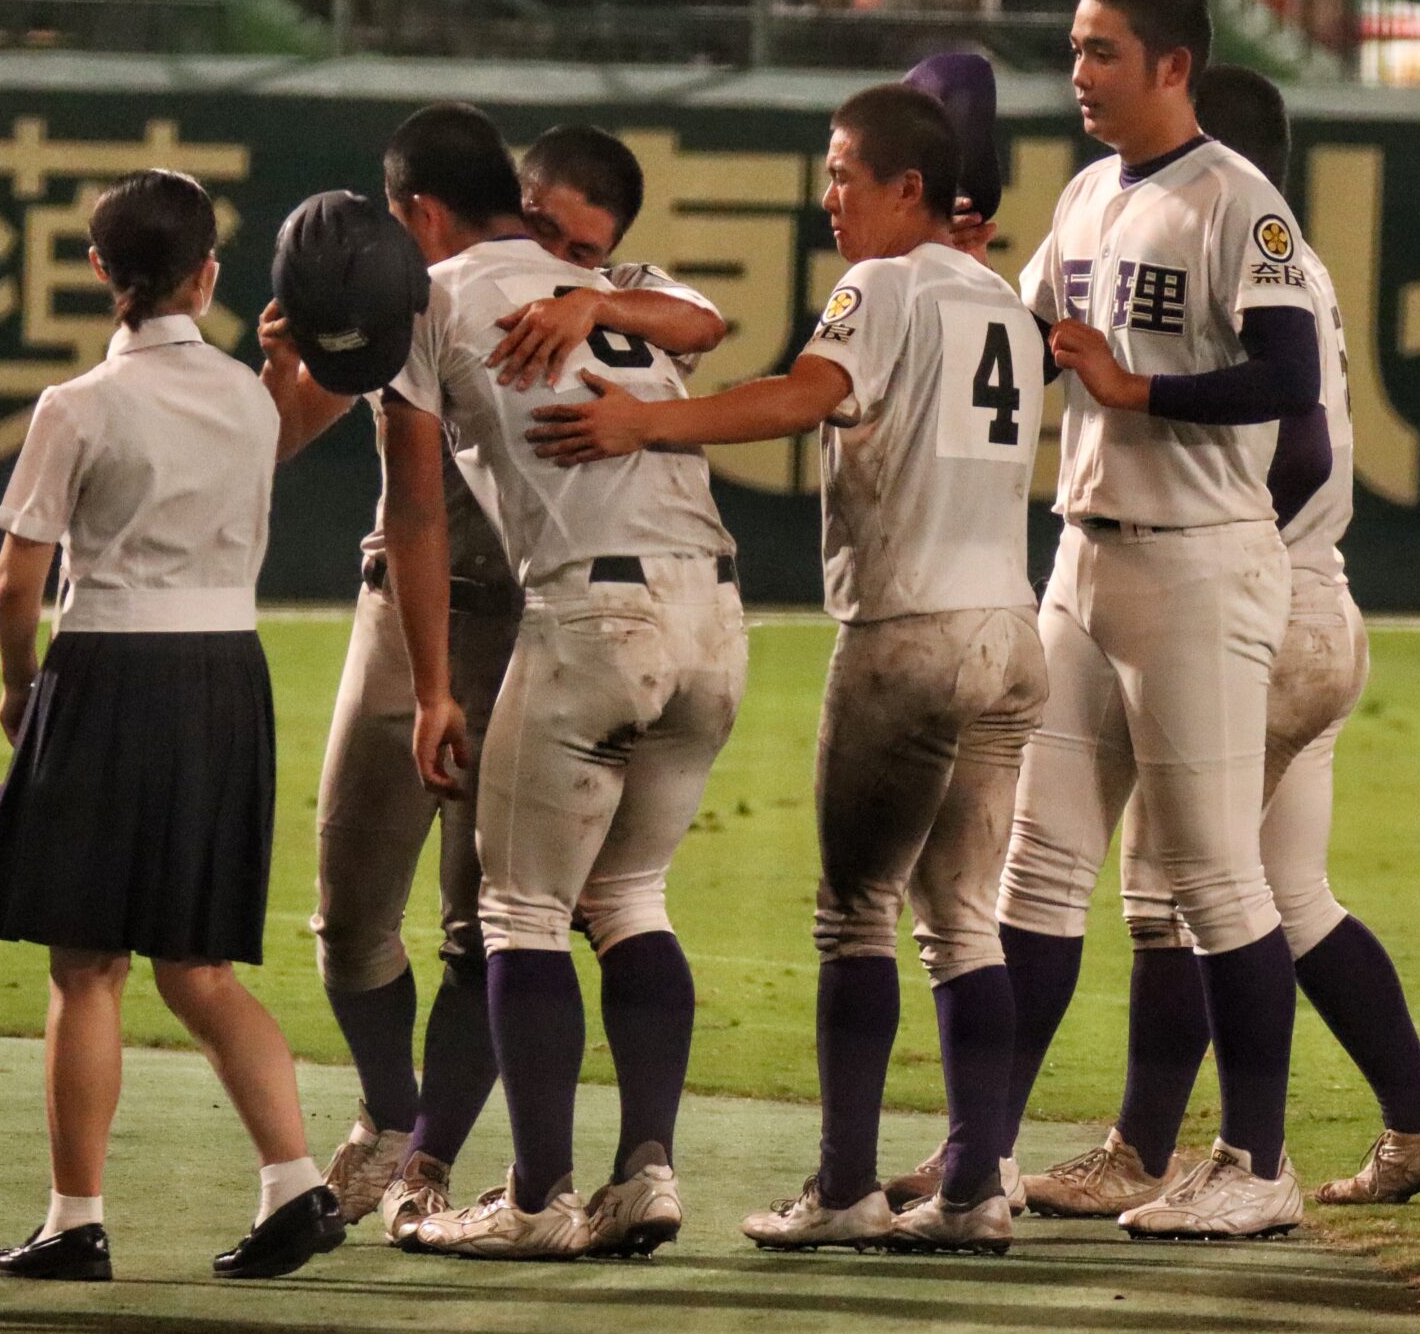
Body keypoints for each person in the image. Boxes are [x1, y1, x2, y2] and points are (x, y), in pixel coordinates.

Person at [528, 80, 1048, 1254]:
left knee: (854, 913)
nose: (827, 198)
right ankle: (974, 1191)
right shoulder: (1000, 297)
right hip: (1012, 635)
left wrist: (644, 424)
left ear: (908, 189)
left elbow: (812, 394)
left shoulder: (884, 281)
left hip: (909, 632)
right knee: (967, 922)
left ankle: (848, 1186)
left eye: (841, 173)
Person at [1011, 64, 1420, 1218]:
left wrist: (1214, 550)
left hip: (1266, 599)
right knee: (1284, 894)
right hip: (1303, 602)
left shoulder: (1236, 232)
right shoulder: (1189, 230)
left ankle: (1185, 1154)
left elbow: (1303, 442)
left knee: (1181, 888)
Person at [259, 123, 723, 1251]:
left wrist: (597, 300)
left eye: (586, 245)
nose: (563, 255)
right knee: (358, 920)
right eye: (550, 227)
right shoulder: (412, 295)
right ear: (513, 199)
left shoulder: (586, 290)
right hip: (579, 610)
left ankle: (470, 1178)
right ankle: (414, 1117)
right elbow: (313, 444)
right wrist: (299, 361)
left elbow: (702, 319)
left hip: (550, 618)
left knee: (503, 921)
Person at [987, 0, 1328, 1241]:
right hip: (1083, 556)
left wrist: (1139, 391)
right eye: (1074, 49)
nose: (1079, 74)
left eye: (1104, 52)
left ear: (1174, 67)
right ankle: (977, 1150)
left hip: (1198, 557)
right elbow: (1027, 343)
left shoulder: (1238, 203)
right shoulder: (1081, 197)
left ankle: (1258, 1162)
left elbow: (1289, 378)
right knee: (1037, 866)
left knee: (1212, 880)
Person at [0, 170, 343, 1282]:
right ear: (208, 273)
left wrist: (18, 682)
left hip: (109, 669)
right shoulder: (251, 400)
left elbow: (12, 586)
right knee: (201, 967)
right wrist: (293, 359)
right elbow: (301, 413)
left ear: (98, 271)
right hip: (227, 676)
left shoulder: (76, 406)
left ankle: (74, 1220)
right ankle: (296, 1184)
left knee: (88, 967)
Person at [382, 103, 747, 1262]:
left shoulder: (433, 296)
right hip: (717, 614)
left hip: (595, 609)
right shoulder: (604, 287)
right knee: (629, 900)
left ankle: (536, 1198)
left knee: (517, 912)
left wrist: (436, 686)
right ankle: (645, 1172)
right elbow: (701, 319)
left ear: (421, 212)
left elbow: (417, 510)